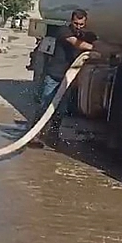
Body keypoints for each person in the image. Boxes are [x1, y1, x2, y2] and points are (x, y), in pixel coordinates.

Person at [30, 9, 97, 147]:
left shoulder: (86, 35)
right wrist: (95, 49)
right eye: (76, 23)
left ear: (85, 23)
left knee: (61, 109)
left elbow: (98, 43)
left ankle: (53, 135)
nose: (78, 26)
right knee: (45, 104)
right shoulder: (63, 31)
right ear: (71, 21)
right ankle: (34, 135)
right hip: (54, 75)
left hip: (68, 78)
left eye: (81, 24)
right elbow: (76, 43)